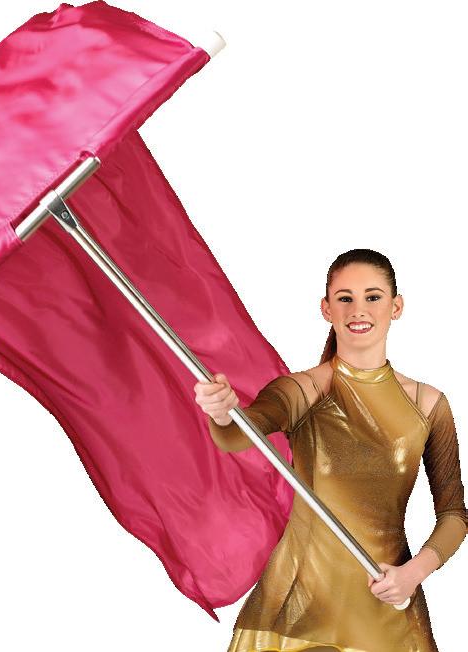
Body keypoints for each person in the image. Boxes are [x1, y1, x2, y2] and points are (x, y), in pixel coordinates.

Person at [194, 248, 466, 652]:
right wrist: (222, 414)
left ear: (396, 307)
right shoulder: (304, 390)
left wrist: (413, 573)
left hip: (386, 615)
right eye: (345, 298)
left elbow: (455, 514)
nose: (359, 310)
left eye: (372, 296)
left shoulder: (428, 405)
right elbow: (240, 433)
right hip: (296, 612)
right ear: (326, 309)